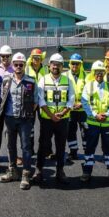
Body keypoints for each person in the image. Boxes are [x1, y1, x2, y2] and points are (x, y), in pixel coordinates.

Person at [0, 52, 38, 190]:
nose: (18, 67)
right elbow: (2, 98)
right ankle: (12, 171)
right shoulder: (6, 80)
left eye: (21, 64)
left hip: (25, 120)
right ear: (13, 65)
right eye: (16, 64)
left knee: (26, 147)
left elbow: (36, 101)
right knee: (10, 146)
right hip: (9, 118)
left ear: (25, 65)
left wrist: (27, 114)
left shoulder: (31, 81)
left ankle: (26, 174)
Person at [35, 53, 73, 185]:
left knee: (61, 146)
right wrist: (51, 115)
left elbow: (71, 99)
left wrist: (62, 113)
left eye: (58, 64)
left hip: (62, 120)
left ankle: (60, 170)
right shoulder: (43, 80)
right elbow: (40, 99)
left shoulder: (67, 80)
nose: (55, 66)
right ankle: (39, 170)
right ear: (49, 65)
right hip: (47, 119)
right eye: (53, 64)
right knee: (43, 145)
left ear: (62, 66)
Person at [80, 60, 109, 185]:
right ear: (93, 72)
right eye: (97, 72)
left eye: (101, 72)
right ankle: (87, 172)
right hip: (93, 123)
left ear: (104, 72)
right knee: (90, 148)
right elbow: (85, 103)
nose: (99, 74)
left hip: (107, 123)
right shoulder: (88, 86)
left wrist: (107, 114)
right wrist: (95, 115)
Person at [65, 53, 87, 161]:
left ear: (80, 64)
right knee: (70, 131)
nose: (75, 66)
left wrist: (82, 103)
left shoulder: (87, 76)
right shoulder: (64, 76)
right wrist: (70, 103)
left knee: (85, 132)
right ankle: (73, 152)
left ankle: (87, 152)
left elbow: (90, 93)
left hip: (83, 109)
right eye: (73, 63)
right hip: (70, 109)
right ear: (70, 64)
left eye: (77, 64)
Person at [0, 44, 14, 149]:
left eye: (7, 56)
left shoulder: (15, 69)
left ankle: (13, 156)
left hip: (11, 105)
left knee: (11, 131)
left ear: (11, 56)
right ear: (0, 56)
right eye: (3, 56)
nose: (5, 58)